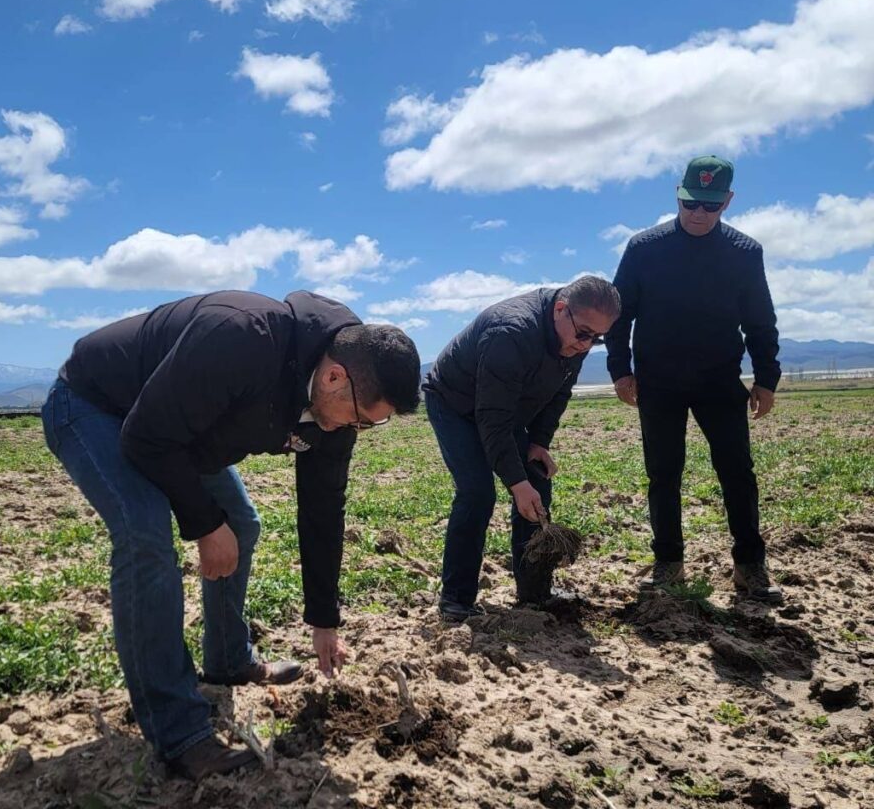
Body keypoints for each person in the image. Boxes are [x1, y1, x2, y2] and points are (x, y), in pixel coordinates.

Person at [41, 289, 420, 780]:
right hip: (98, 405)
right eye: (359, 419)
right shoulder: (238, 337)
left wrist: (324, 619)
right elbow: (145, 437)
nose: (356, 430)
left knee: (241, 522)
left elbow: (323, 511)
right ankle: (178, 734)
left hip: (181, 427)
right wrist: (203, 523)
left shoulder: (338, 403)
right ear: (333, 376)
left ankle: (226, 659)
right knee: (145, 535)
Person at [606, 155, 783, 604]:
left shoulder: (745, 253)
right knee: (663, 473)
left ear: (728, 201)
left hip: (719, 380)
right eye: (690, 204)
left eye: (710, 205)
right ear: (678, 195)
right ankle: (668, 563)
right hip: (658, 382)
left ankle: (750, 566)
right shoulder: (644, 248)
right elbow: (619, 315)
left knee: (738, 473)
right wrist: (621, 370)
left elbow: (760, 322)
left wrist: (767, 378)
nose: (699, 214)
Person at [424, 276, 621, 621]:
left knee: (537, 480)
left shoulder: (573, 339)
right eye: (585, 334)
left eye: (598, 338)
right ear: (561, 310)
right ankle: (456, 600)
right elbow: (492, 418)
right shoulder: (510, 333)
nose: (588, 345)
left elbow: (558, 393)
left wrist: (538, 443)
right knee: (477, 493)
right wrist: (516, 484)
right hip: (455, 403)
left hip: (503, 407)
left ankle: (534, 592)